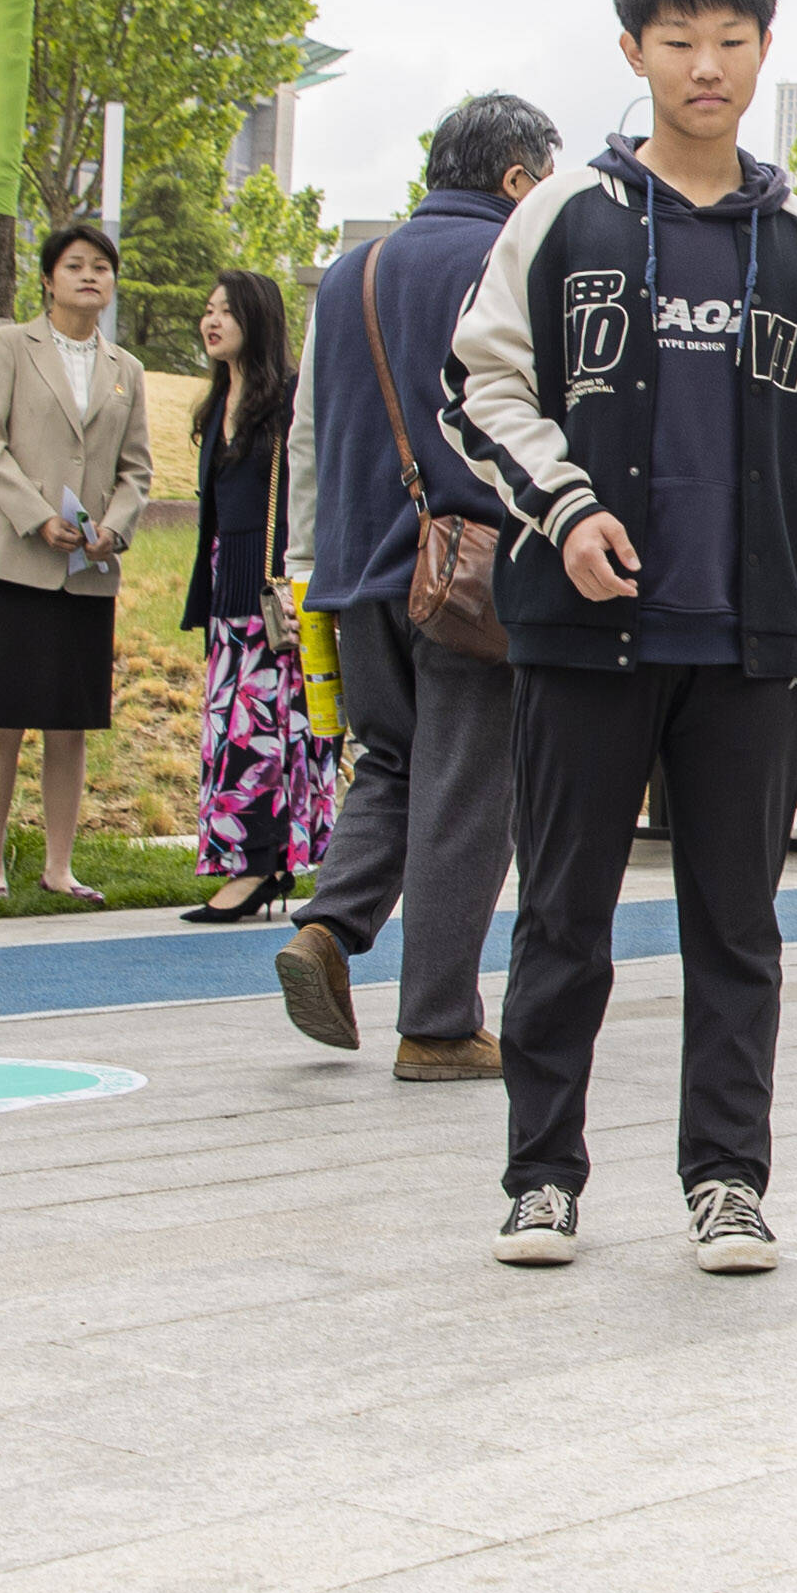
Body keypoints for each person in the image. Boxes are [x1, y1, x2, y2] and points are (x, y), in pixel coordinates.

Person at [448, 0, 797, 1275]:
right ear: (633, 52)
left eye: (731, 41)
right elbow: (480, 386)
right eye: (679, 41)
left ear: (764, 51)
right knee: (564, 916)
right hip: (586, 632)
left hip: (748, 642)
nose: (707, 66)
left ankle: (728, 1181)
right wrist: (567, 508)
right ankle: (542, 1179)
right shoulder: (563, 216)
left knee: (737, 931)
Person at [279, 92, 553, 1079]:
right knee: (469, 789)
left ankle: (326, 929)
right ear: (516, 177)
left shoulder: (349, 272)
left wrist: (307, 565)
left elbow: (308, 432)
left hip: (356, 570)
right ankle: (437, 1024)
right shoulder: (510, 262)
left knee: (392, 764)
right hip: (470, 573)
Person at [0, 224, 153, 903]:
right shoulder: (9, 346)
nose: (90, 276)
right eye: (74, 265)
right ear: (47, 279)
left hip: (86, 573)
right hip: (12, 559)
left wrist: (113, 529)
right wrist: (37, 516)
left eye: (101, 267)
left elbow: (136, 470)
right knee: (1, 718)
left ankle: (59, 867)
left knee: (70, 723)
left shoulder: (126, 369)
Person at [183, 267, 336, 923]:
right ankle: (247, 861)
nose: (211, 320)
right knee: (230, 734)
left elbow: (314, 492)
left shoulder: (290, 401)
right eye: (207, 309)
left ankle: (263, 864)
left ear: (258, 318)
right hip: (227, 590)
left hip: (277, 594)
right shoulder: (216, 404)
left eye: (226, 309)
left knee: (270, 734)